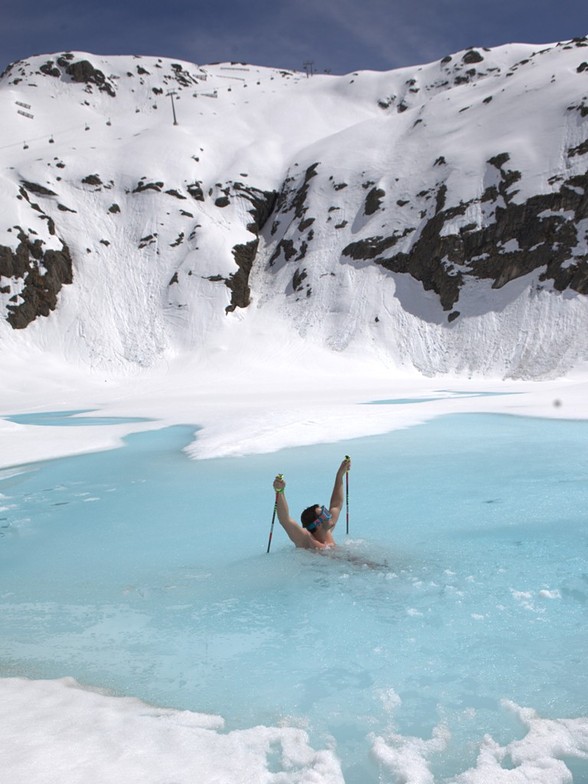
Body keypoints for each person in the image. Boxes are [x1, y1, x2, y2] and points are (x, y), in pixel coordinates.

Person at [272, 457, 351, 549]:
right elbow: (285, 520)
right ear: (317, 524)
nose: (329, 514)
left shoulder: (327, 531)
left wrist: (340, 474)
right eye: (324, 513)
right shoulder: (306, 540)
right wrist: (280, 492)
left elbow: (336, 505)